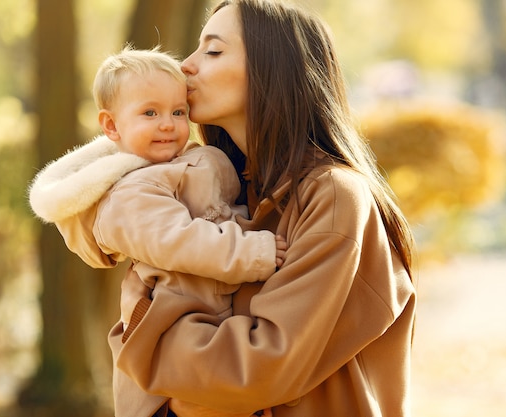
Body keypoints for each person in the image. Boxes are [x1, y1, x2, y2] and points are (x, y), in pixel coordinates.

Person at [56, 0, 416, 415]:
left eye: (212, 51)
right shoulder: (223, 185)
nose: (186, 65)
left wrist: (141, 341)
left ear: (273, 69)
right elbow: (96, 223)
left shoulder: (333, 196)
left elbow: (260, 368)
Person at [28, 46, 283, 417]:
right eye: (150, 113)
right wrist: (253, 253)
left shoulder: (182, 162)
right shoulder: (131, 193)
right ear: (112, 126)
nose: (168, 124)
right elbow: (179, 241)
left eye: (178, 112)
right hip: (173, 322)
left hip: (212, 314)